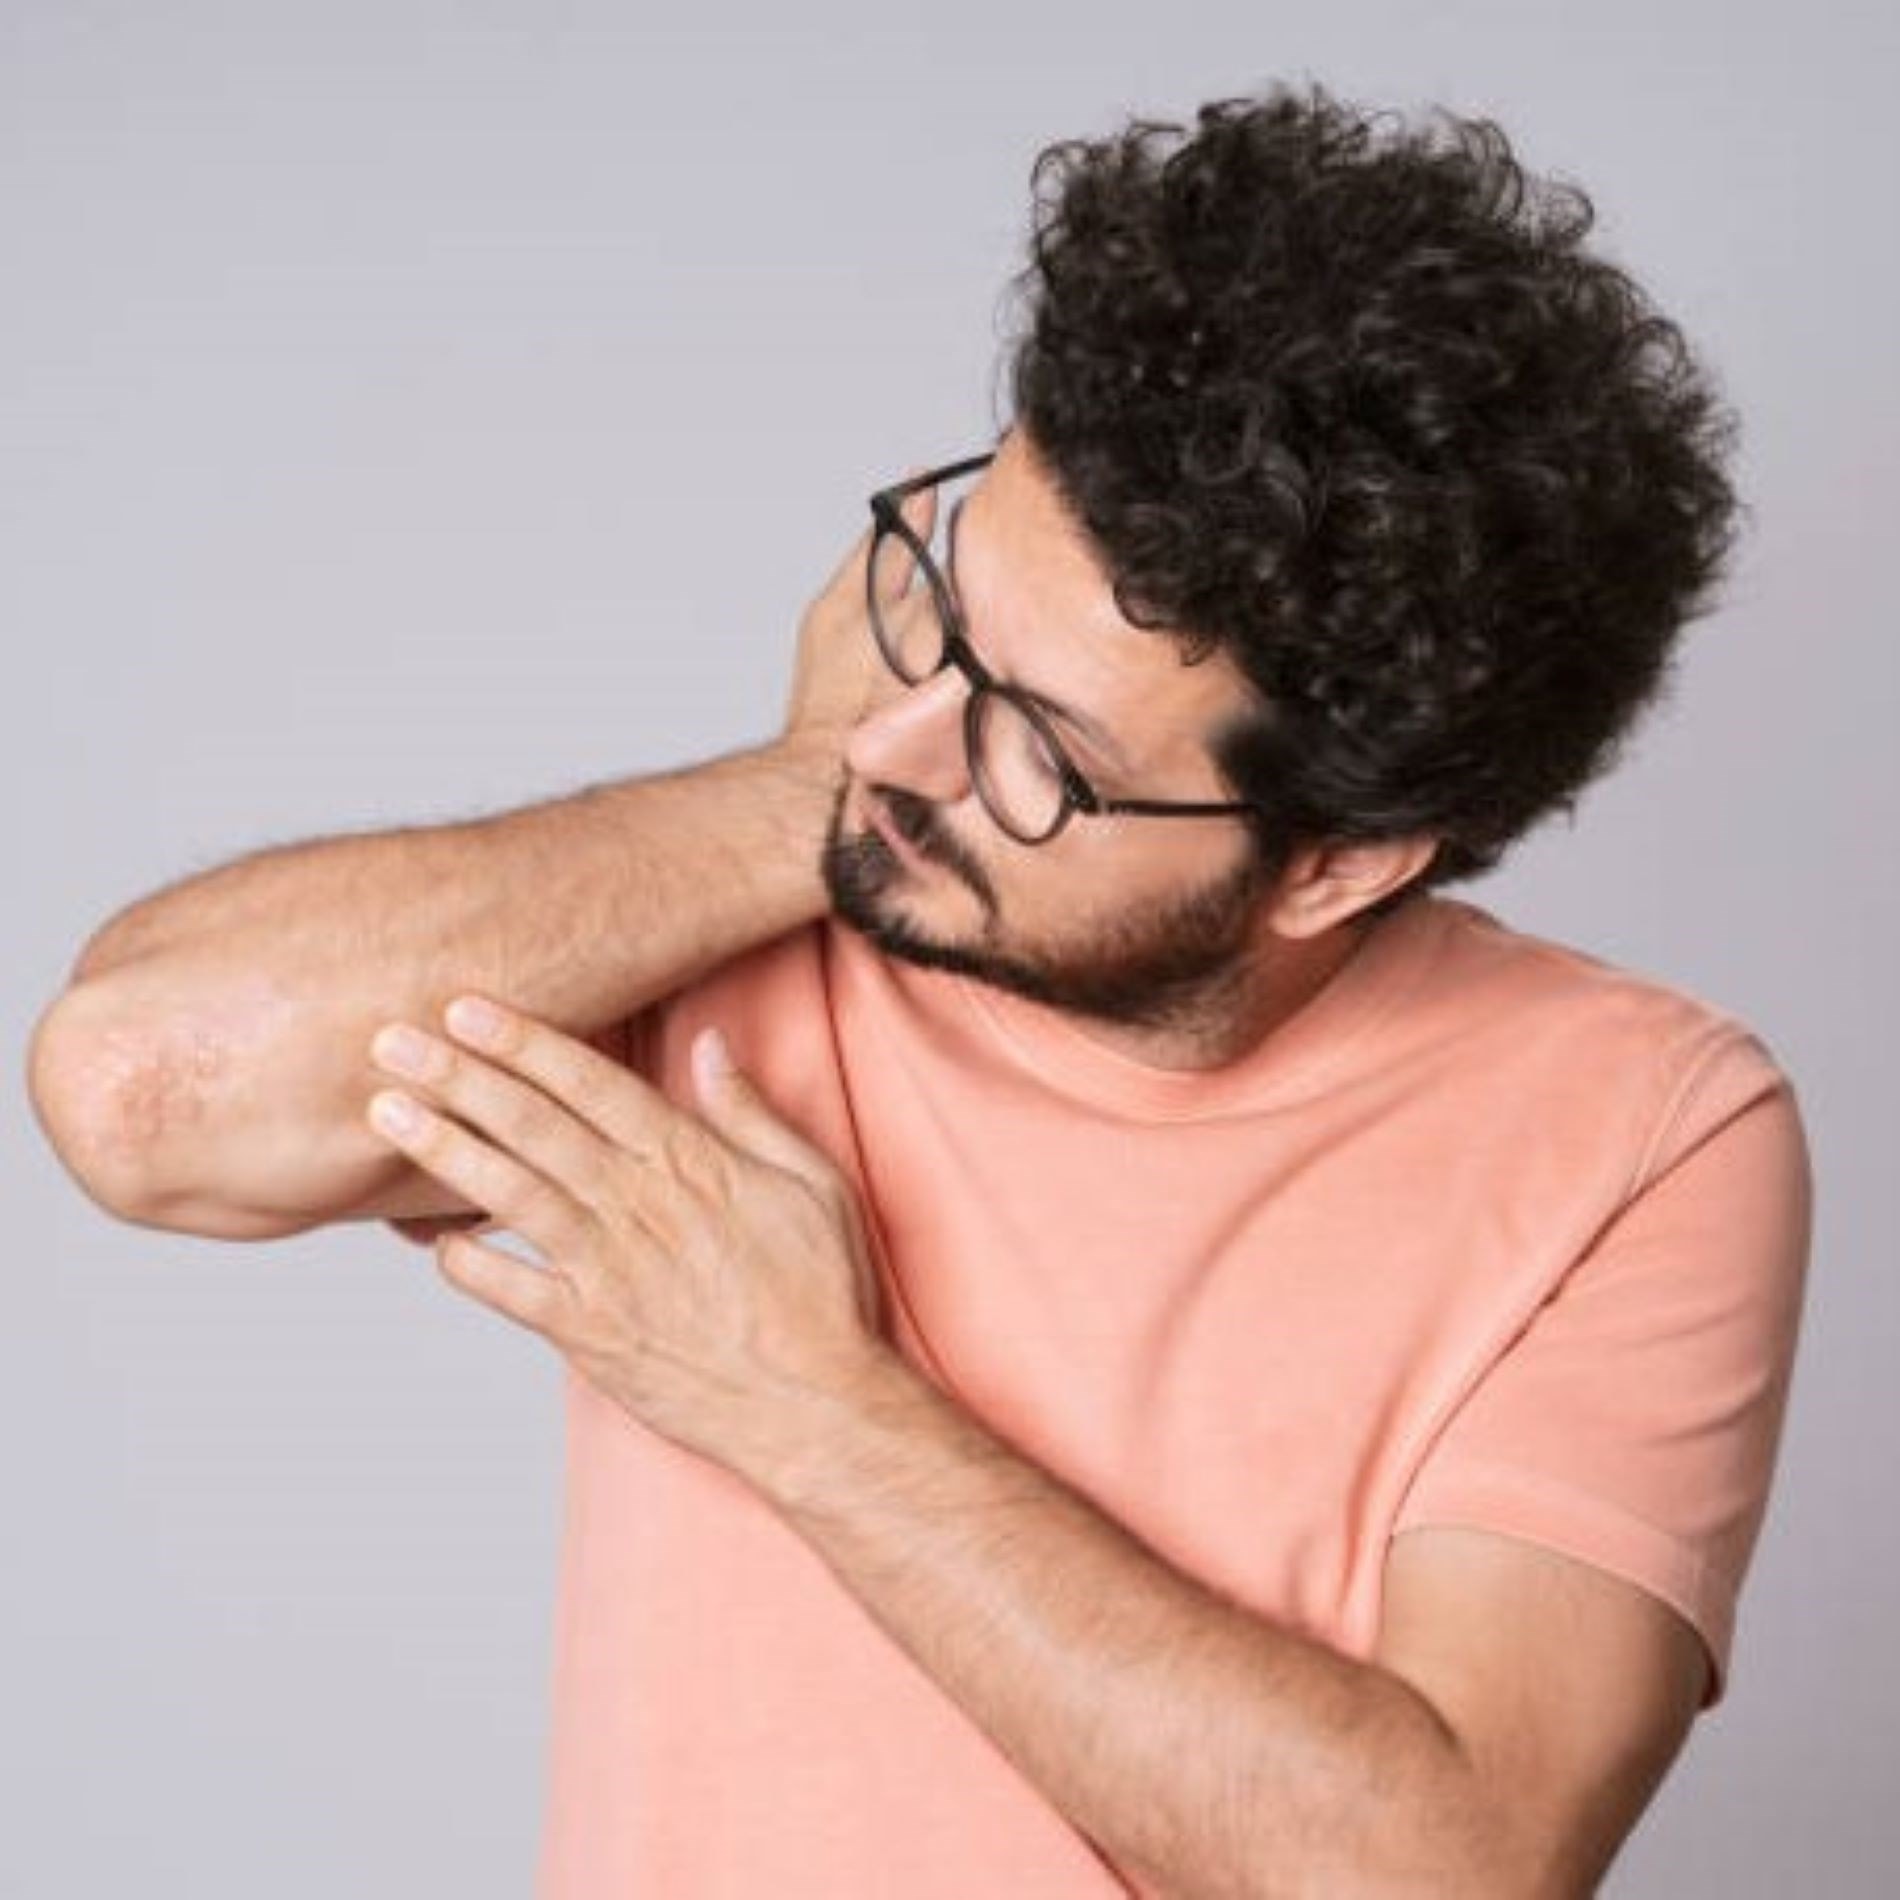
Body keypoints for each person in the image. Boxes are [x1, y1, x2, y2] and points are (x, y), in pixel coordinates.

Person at [27, 80, 1812, 1900]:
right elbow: (138, 1089)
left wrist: (802, 1399)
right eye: (947, 604)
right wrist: (797, 791)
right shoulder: (752, 928)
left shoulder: (1644, 1126)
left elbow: (1442, 1870)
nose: (908, 738)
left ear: (1337, 864)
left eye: (1036, 742)